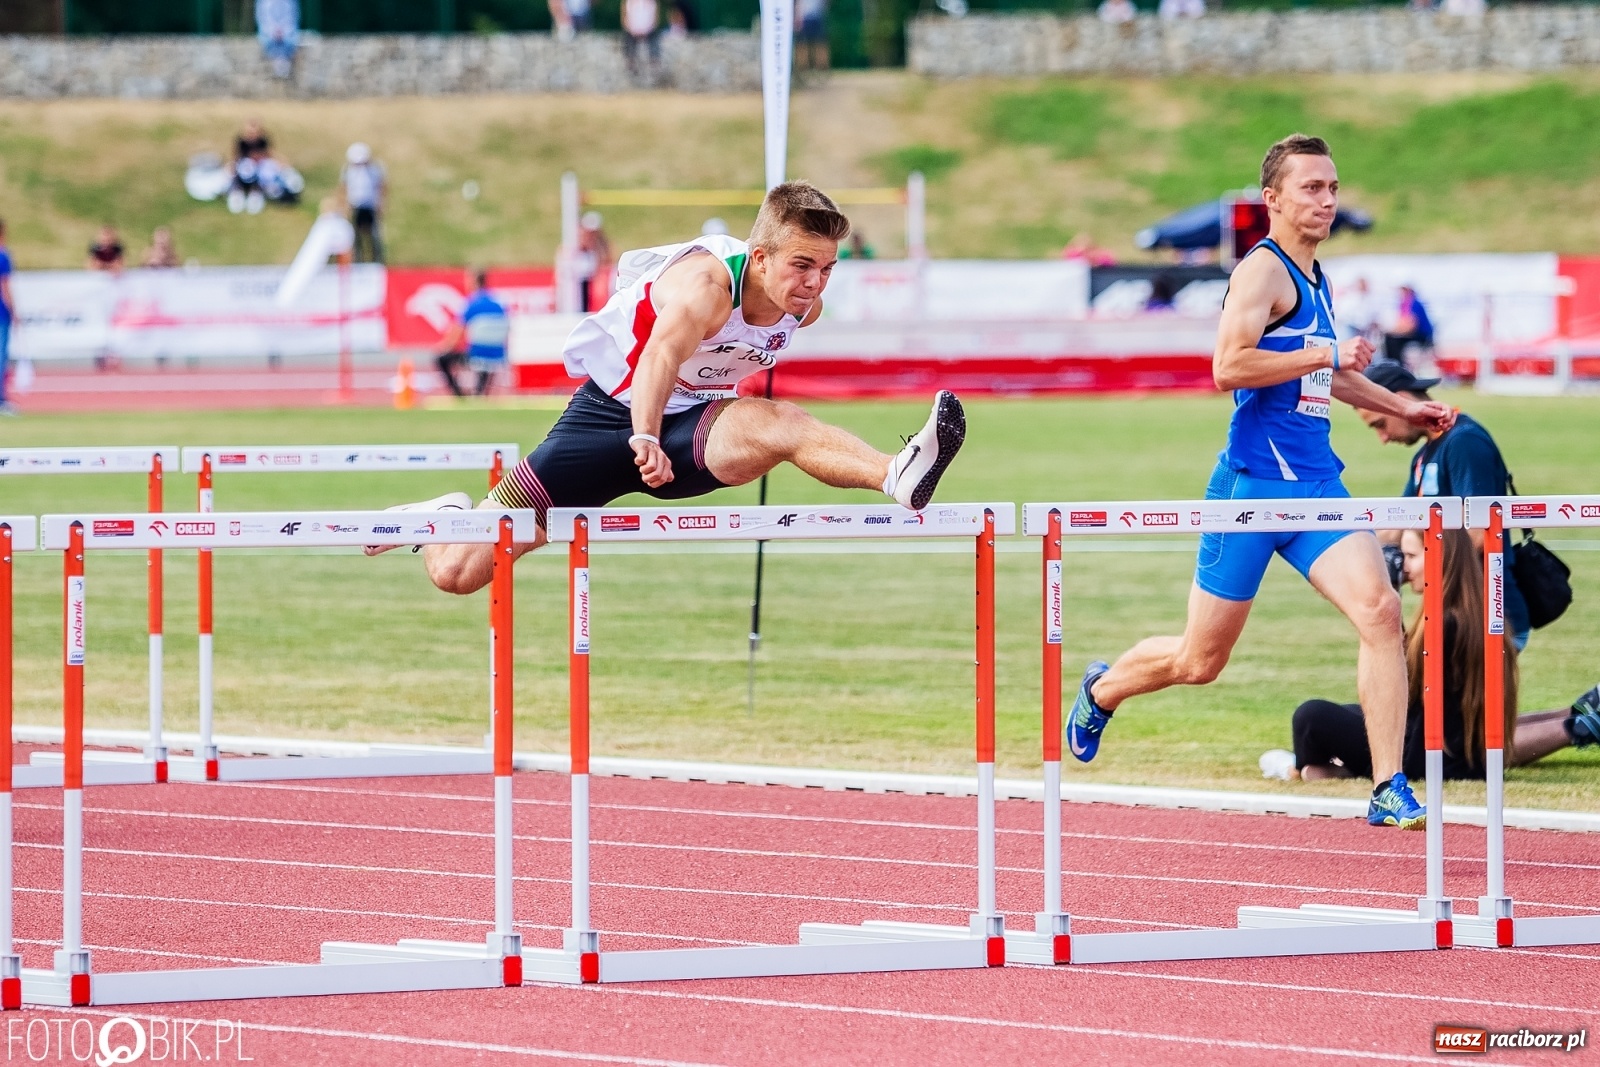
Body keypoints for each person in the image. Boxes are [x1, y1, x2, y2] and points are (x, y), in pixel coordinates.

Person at [1065, 134, 1456, 830]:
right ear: (1272, 199)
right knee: (1199, 659)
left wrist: (1404, 406)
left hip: (1314, 490)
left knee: (1381, 611)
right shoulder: (1261, 272)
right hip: (1250, 491)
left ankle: (1388, 783)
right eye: (1311, 188)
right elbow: (1228, 365)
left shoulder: (1316, 277)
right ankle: (1104, 688)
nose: (1327, 199)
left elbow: (1326, 372)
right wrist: (1324, 347)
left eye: (1333, 188)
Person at [366, 181, 967, 597]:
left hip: (692, 427)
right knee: (458, 574)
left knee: (778, 422)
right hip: (609, 420)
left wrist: (676, 428)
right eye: (802, 266)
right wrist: (644, 434)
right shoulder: (705, 285)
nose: (814, 284)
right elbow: (660, 355)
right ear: (759, 257)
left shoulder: (802, 308)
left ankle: (896, 473)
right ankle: (446, 516)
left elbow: (728, 366)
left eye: (827, 268)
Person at [1262, 527, 1599, 782]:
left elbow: (1406, 697)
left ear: (1437, 559)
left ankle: (1305, 768)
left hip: (1434, 758)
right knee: (1355, 713)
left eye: (1411, 556)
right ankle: (1318, 769)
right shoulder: (1474, 614)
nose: (1403, 566)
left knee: (1310, 716)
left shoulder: (1445, 625)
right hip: (1462, 749)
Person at [1356, 360, 1532, 650]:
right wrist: (1349, 550)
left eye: (1380, 424)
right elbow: (1397, 527)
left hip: (1489, 618)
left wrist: (1419, 557)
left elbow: (1478, 534)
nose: (1383, 438)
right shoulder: (1426, 455)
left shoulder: (1465, 443)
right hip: (1454, 616)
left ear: (1400, 401)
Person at [434, 271, 508, 398]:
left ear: (473, 281)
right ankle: (480, 392)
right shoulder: (498, 304)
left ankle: (458, 394)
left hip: (477, 354)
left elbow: (456, 332)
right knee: (485, 354)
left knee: (442, 359)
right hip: (498, 354)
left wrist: (445, 346)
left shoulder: (472, 303)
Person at [340, 143, 386, 264]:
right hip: (355, 206)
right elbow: (344, 188)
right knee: (355, 236)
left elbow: (381, 187)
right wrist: (345, 206)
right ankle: (358, 261)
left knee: (374, 236)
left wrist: (381, 204)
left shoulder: (374, 170)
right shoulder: (348, 171)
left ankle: (377, 261)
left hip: (371, 206)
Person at [1383, 284, 1434, 367]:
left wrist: (1394, 331)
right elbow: (1402, 323)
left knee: (1393, 341)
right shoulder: (1403, 304)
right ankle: (1393, 366)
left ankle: (1397, 367)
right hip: (1413, 334)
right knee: (1389, 338)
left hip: (1422, 336)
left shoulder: (1415, 303)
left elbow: (1411, 326)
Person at [575, 212, 613, 314]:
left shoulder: (600, 250)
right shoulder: (575, 251)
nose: (591, 236)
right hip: (579, 295)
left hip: (595, 296)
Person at [256, 0, 299, 79]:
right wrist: (272, 31)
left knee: (288, 42)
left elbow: (292, 17)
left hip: (286, 36)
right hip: (269, 36)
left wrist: (283, 31)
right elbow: (262, 17)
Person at [623, 0, 660, 77]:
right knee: (628, 37)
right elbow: (624, 19)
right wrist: (632, 30)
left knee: (654, 37)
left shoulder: (651, 2)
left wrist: (646, 30)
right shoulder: (629, 2)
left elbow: (655, 20)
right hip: (633, 31)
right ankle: (630, 61)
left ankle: (654, 61)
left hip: (648, 30)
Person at [0, 219, 14, 416]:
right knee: (1, 357)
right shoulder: (3, 256)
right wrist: (13, 310)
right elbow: (5, 288)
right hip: (1, 313)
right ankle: (1, 400)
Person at [796, 0, 829, 70]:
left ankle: (821, 66)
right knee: (802, 44)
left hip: (816, 16)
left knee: (820, 43)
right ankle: (803, 66)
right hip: (805, 17)